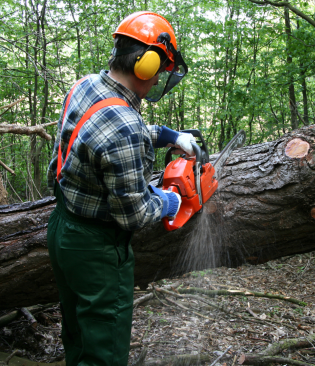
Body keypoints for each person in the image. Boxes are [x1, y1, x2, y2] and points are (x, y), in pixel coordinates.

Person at [47, 11, 194, 366]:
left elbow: (108, 130)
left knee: (78, 338)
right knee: (104, 355)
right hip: (97, 250)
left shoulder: (87, 85)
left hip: (62, 228)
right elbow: (135, 213)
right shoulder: (125, 126)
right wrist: (171, 201)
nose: (159, 78)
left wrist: (172, 136)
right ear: (146, 64)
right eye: (160, 69)